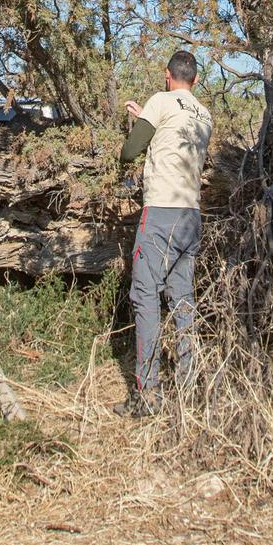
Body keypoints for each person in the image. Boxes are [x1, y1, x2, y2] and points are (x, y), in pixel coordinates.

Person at [113, 48, 213, 418]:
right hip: (191, 215)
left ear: (167, 75)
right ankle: (188, 386)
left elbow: (129, 152)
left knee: (145, 296)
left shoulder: (161, 100)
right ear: (196, 80)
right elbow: (175, 144)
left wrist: (140, 124)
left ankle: (146, 394)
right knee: (183, 299)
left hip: (159, 214)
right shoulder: (204, 114)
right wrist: (148, 120)